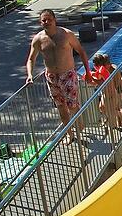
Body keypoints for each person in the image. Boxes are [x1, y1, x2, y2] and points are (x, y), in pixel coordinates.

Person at [26, 10, 92, 138]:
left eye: (49, 19)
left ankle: (79, 127)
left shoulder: (67, 34)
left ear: (54, 20)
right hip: (51, 77)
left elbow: (81, 52)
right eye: (44, 20)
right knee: (61, 107)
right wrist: (29, 75)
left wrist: (88, 72)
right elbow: (31, 59)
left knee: (72, 106)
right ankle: (69, 134)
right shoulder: (38, 39)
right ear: (40, 22)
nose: (46, 22)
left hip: (68, 75)